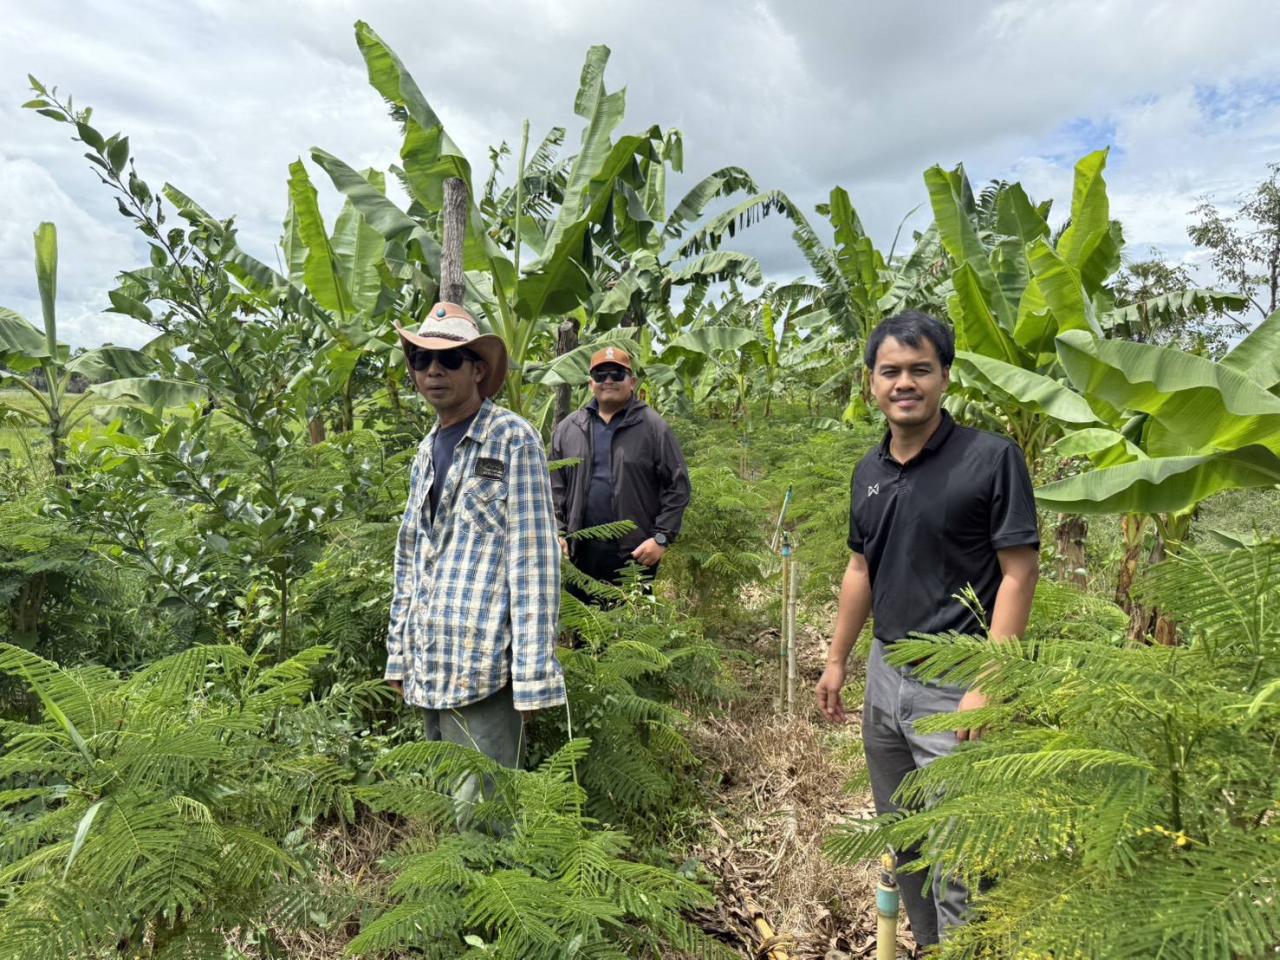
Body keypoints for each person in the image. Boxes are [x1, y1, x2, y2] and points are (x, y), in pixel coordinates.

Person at [815, 311, 1040, 948]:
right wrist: (837, 660)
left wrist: (991, 682)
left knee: (964, 859)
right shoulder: (869, 470)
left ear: (945, 377)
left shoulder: (991, 459)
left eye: (920, 369)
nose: (904, 382)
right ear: (871, 384)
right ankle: (930, 945)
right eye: (891, 371)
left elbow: (1018, 575)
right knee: (905, 838)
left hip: (959, 678)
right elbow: (861, 566)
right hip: (886, 676)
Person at [384, 301, 565, 780]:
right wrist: (399, 657)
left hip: (484, 666)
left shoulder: (512, 440)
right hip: (430, 658)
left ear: (478, 369)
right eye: (421, 360)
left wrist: (532, 676)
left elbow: (533, 561)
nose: (433, 371)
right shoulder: (425, 452)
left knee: (484, 819)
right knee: (446, 805)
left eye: (449, 359)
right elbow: (410, 558)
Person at [549, 346, 690, 597]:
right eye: (601, 375)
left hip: (634, 553)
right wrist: (558, 531)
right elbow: (554, 486)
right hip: (579, 551)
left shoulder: (653, 427)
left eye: (617, 374)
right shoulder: (570, 427)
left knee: (629, 630)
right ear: (591, 383)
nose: (609, 381)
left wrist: (661, 538)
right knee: (585, 629)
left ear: (632, 382)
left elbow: (677, 486)